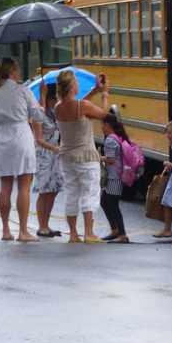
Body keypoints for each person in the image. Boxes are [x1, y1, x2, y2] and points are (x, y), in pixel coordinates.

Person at [0, 57, 44, 242]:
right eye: (17, 69)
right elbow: (37, 114)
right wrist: (43, 98)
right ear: (12, 71)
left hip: (2, 139)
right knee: (24, 184)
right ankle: (23, 230)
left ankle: (6, 230)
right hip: (21, 136)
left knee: (5, 186)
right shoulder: (24, 90)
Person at [54, 69, 110, 243]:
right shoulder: (81, 106)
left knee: (72, 193)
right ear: (72, 86)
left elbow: (80, 105)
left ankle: (73, 234)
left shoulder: (58, 107)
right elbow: (104, 115)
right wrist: (105, 94)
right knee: (89, 192)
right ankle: (88, 232)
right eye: (76, 82)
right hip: (86, 155)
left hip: (67, 157)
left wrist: (94, 90)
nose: (78, 84)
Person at [33, 81, 64, 238]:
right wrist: (54, 148)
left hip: (55, 155)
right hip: (43, 155)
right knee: (44, 190)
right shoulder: (39, 114)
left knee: (54, 189)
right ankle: (41, 226)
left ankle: (47, 223)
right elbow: (38, 139)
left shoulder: (54, 113)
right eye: (56, 98)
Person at [100, 113, 130, 243]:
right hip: (116, 176)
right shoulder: (116, 137)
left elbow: (111, 159)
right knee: (106, 202)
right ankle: (115, 230)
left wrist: (97, 157)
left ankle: (122, 234)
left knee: (113, 204)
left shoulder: (110, 140)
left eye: (103, 124)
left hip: (114, 177)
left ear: (107, 125)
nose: (101, 127)